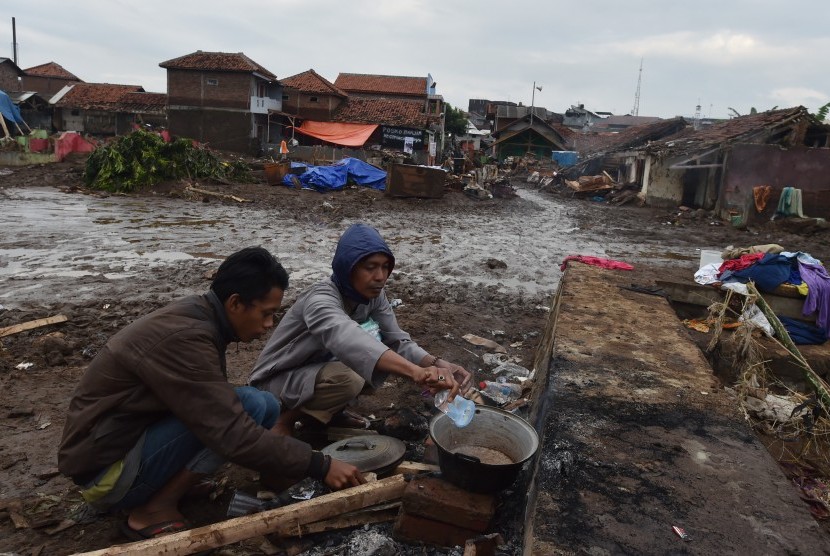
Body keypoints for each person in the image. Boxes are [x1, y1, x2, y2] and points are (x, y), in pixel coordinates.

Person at [58, 247, 364, 541]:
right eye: (266, 313)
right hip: (106, 475)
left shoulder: (199, 315)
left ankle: (256, 477)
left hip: (120, 447)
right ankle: (150, 510)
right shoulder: (187, 337)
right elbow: (230, 432)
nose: (269, 325)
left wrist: (288, 463)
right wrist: (319, 464)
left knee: (264, 404)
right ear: (235, 303)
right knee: (249, 406)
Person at [249, 224, 473, 435]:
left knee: (370, 364)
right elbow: (347, 338)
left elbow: (397, 341)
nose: (380, 277)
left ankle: (326, 415)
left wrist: (435, 363)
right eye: (370, 267)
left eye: (385, 267)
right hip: (276, 381)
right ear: (348, 268)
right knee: (352, 375)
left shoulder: (372, 297)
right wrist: (415, 372)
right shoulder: (320, 300)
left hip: (314, 372)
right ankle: (284, 420)